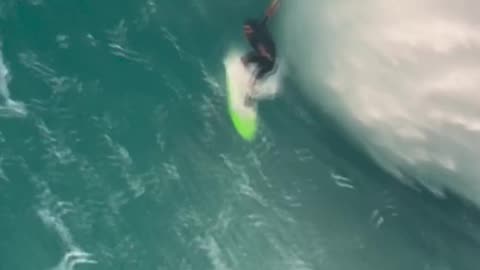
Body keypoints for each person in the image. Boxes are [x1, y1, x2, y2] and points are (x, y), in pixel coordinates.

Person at [242, 0, 280, 105]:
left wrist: (266, 54)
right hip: (263, 56)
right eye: (244, 30)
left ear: (251, 30)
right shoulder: (258, 27)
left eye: (247, 30)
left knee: (255, 78)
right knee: (244, 60)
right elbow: (268, 14)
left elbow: (261, 48)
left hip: (269, 61)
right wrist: (275, 3)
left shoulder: (256, 37)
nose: (245, 32)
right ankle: (247, 80)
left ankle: (249, 98)